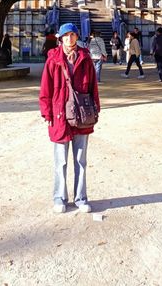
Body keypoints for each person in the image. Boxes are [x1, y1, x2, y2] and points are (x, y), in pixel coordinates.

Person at [39, 22, 100, 214]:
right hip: (60, 114)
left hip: (81, 114)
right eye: (66, 36)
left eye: (73, 35)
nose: (69, 39)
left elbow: (93, 88)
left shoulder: (85, 58)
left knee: (80, 160)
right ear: (60, 39)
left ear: (77, 37)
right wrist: (46, 112)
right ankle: (60, 198)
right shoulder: (53, 60)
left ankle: (81, 198)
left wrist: (96, 108)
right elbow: (45, 88)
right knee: (61, 162)